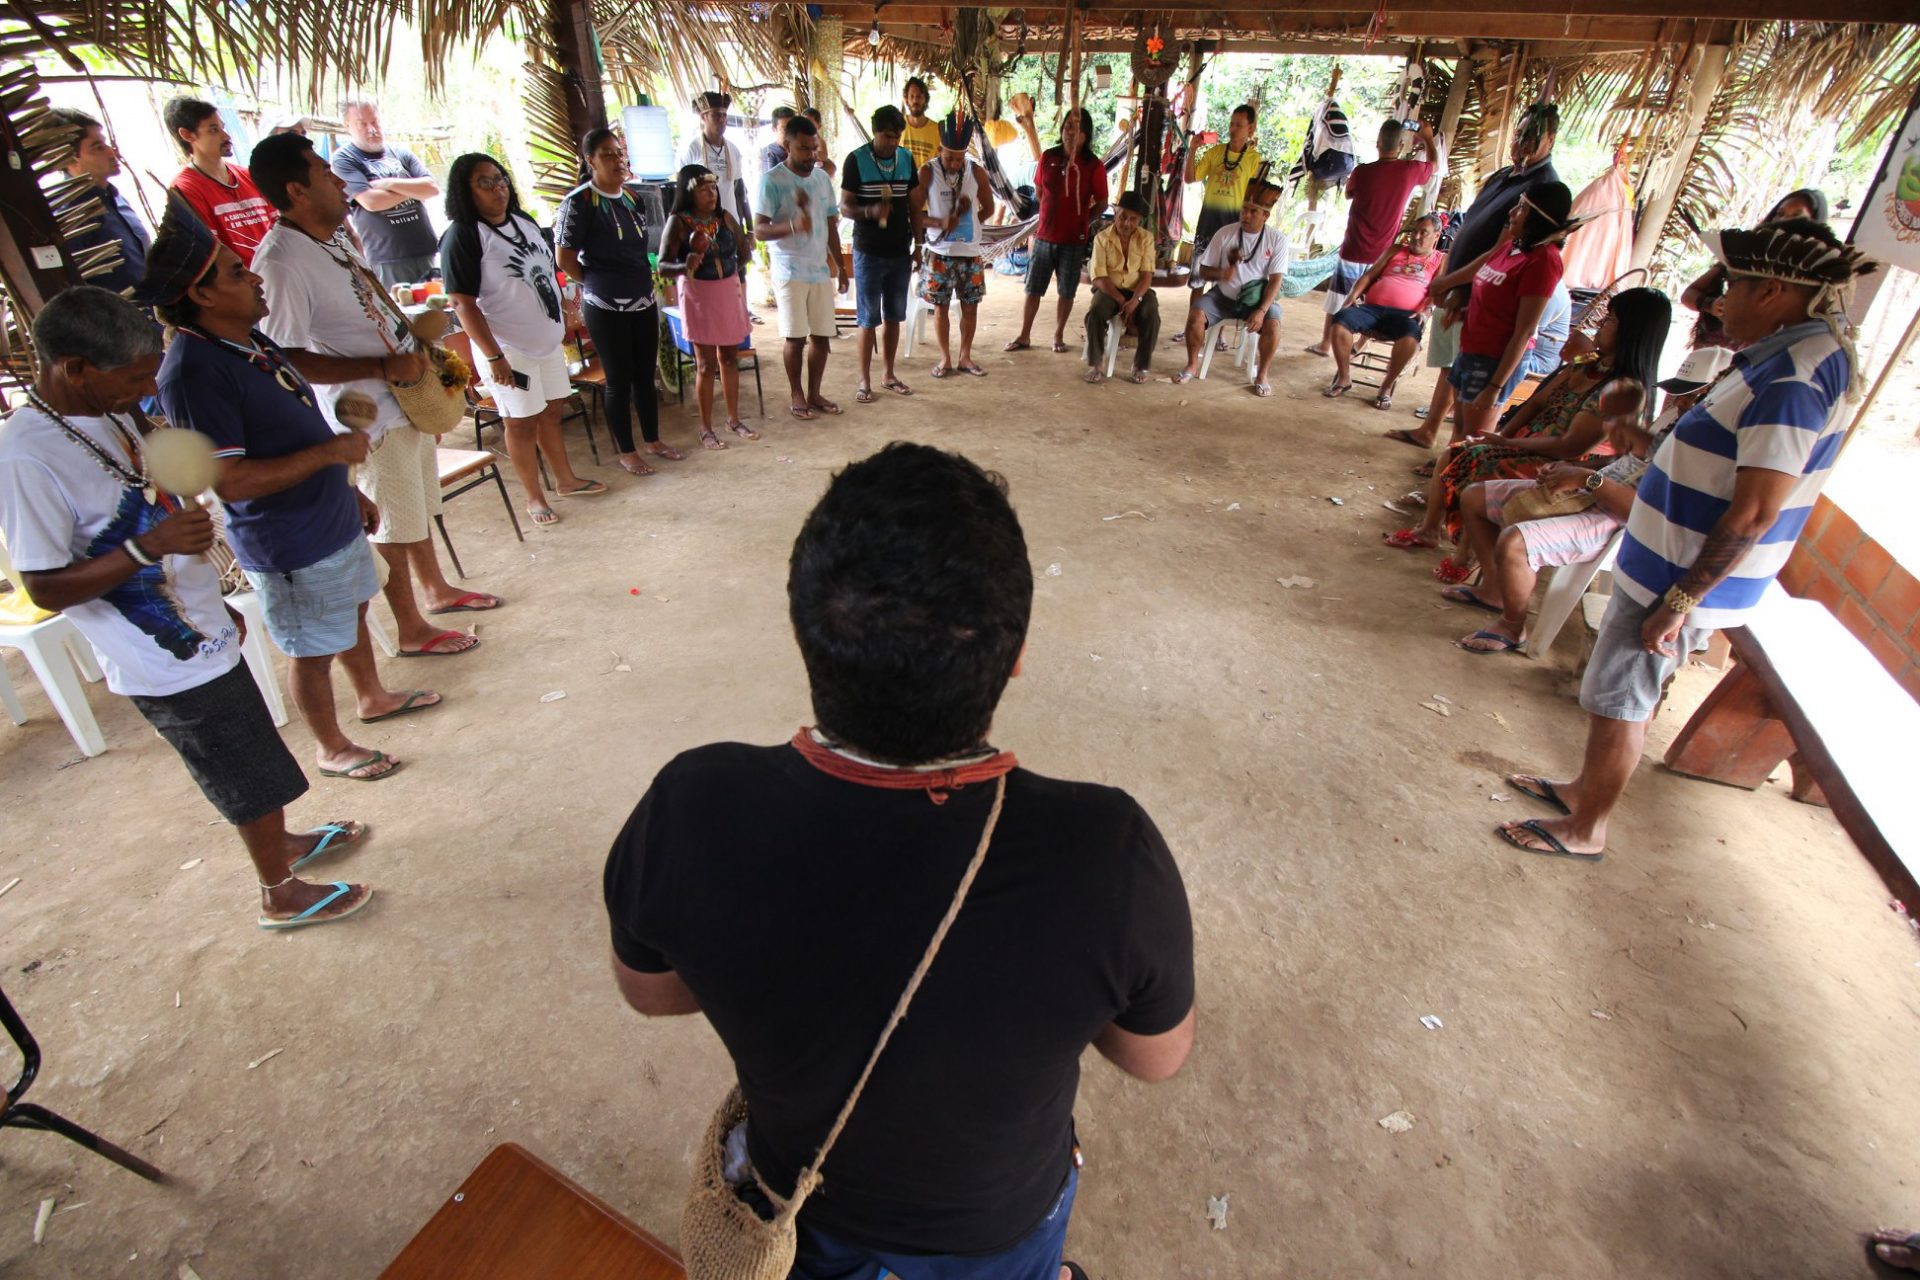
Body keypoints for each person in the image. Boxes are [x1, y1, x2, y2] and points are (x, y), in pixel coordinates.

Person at [603, 442, 1194, 1280]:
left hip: (793, 1211)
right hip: (995, 1230)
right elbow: (1155, 1056)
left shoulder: (692, 802)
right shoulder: (1106, 850)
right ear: (1016, 653)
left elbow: (652, 996)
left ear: (805, 635)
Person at [1497, 219, 1874, 861]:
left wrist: (1680, 601)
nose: (1721, 301)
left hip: (1678, 575)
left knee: (1622, 698)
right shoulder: (1783, 355)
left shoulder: (1792, 379)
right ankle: (1582, 790)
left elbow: (1754, 512)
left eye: (1736, 286)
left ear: (1776, 293)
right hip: (1666, 561)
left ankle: (1587, 828)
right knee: (1619, 694)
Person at [0, 286, 373, 930]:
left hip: (197, 626)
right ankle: (278, 893)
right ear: (77, 369)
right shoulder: (25, 456)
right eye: (136, 376)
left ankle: (279, 845)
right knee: (237, 768)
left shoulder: (105, 412)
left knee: (255, 753)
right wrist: (149, 549)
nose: (148, 388)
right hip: (157, 653)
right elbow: (45, 587)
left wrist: (205, 597)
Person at [142, 199, 436, 784]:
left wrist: (344, 490)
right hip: (287, 538)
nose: (253, 275)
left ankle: (372, 696)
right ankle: (330, 746)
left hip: (325, 514)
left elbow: (292, 423)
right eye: (233, 272)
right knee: (311, 647)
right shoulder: (195, 371)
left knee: (349, 609)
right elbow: (228, 480)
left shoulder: (247, 341)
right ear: (201, 296)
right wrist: (331, 454)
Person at [248, 132, 496, 656]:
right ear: (296, 189)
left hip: (401, 399)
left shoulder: (331, 235)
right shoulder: (282, 261)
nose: (340, 181)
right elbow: (285, 358)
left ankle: (436, 591)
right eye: (323, 173)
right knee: (391, 522)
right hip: (363, 414)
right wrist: (381, 363)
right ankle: (410, 628)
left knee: (415, 506)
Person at [1447, 347, 1732, 653]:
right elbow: (1624, 465)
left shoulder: (1703, 450)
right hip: (1591, 491)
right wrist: (1576, 470)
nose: (1682, 402)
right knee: (1475, 497)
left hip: (1613, 519)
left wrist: (1586, 479)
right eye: (1680, 393)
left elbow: (1641, 511)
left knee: (1515, 542)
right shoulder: (1673, 418)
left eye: (1694, 396)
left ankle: (1513, 626)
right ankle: (1495, 589)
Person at [1384, 283, 1669, 565]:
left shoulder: (1624, 389)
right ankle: (1431, 530)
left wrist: (1507, 444)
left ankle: (1467, 556)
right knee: (1459, 451)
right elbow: (1537, 401)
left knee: (1479, 462)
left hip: (1569, 461)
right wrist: (1501, 435)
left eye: (1612, 320)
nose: (1602, 325)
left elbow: (1570, 447)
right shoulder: (1590, 361)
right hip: (1533, 444)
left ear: (1633, 331)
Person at [440, 153, 609, 526]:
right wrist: (493, 356)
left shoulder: (524, 221)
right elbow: (462, 304)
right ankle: (534, 497)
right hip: (507, 349)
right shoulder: (463, 235)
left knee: (552, 409)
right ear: (465, 191)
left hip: (546, 341)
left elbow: (546, 272)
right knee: (520, 420)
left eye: (500, 179)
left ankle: (565, 480)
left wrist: (562, 310)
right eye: (484, 182)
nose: (497, 188)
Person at [1418, 102, 1560, 437]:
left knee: (1473, 420)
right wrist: (1447, 278)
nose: (1521, 143)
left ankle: (1449, 467)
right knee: (1454, 371)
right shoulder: (1504, 175)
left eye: (1531, 137)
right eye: (1519, 134)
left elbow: (1500, 253)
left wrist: (1454, 285)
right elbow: (1469, 227)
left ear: (1550, 140)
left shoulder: (1539, 190)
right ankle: (1431, 434)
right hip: (1468, 294)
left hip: (1481, 299)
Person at [557, 128, 672, 472]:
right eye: (607, 154)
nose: (617, 160)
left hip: (642, 299)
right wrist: (597, 285)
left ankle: (652, 440)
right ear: (590, 160)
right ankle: (627, 451)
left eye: (619, 153)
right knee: (618, 380)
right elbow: (564, 259)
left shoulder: (633, 198)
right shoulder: (578, 203)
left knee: (644, 375)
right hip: (605, 306)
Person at [1433, 181, 1574, 441]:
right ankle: (1444, 474)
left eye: (1521, 207)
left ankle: (1454, 478)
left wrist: (1495, 386)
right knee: (1460, 427)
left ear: (1537, 216)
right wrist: (1455, 292)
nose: (1512, 213)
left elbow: (1525, 330)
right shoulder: (1516, 245)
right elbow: (1487, 264)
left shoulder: (1543, 261)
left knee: (1473, 437)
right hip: (1472, 348)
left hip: (1494, 361)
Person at [1308, 119, 1438, 357]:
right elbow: (1434, 166)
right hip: (1382, 253)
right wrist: (1428, 138)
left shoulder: (1362, 172)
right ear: (1400, 145)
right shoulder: (1409, 170)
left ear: (1378, 144)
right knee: (1373, 303)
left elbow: (1348, 194)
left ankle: (1326, 344)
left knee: (1338, 298)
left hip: (1353, 247)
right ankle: (1359, 345)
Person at [755, 116, 848, 421]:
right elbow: (759, 230)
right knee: (795, 338)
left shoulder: (822, 179)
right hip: (789, 270)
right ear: (787, 146)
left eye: (814, 148)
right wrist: (792, 226)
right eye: (804, 148)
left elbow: (831, 225)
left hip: (819, 270)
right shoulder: (772, 180)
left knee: (822, 336)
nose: (810, 155)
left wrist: (840, 266)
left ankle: (815, 392)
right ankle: (796, 393)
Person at [660, 166, 758, 446]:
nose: (711, 194)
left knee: (729, 358)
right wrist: (685, 265)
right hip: (697, 296)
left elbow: (745, 252)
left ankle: (733, 419)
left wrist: (728, 277)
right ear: (689, 191)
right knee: (705, 365)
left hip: (726, 293)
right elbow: (664, 266)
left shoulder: (725, 218)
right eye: (704, 189)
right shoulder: (678, 222)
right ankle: (705, 427)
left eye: (713, 188)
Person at [1171, 176, 1289, 396]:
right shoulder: (1225, 233)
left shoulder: (1277, 240)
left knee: (1274, 324)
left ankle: (1262, 374)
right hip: (1222, 298)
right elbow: (1203, 270)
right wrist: (1221, 273)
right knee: (1195, 314)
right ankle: (1191, 364)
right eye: (1244, 209)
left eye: (1253, 211)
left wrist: (1262, 311)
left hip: (1257, 300)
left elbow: (1275, 280)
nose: (1246, 215)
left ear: (1266, 215)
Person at [1007, 107, 1107, 356]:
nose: (1070, 133)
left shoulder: (1092, 165)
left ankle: (1058, 335)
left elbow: (1102, 202)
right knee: (1033, 288)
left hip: (1074, 240)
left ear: (1086, 134)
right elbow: (1040, 192)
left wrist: (1084, 220)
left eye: (1077, 129)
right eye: (1067, 127)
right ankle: (1024, 334)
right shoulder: (1048, 157)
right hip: (1043, 236)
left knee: (1066, 290)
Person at [1323, 212, 1444, 409]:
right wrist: (1353, 296)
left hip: (1406, 315)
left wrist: (1426, 310)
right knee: (1339, 322)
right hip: (1372, 309)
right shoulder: (1396, 250)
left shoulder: (1441, 259)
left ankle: (1386, 387)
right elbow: (1370, 275)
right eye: (1415, 231)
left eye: (1424, 232)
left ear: (1436, 236)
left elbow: (1436, 291)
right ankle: (1344, 378)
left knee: (1411, 339)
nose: (1417, 236)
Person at [1680, 188, 1827, 350]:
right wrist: (1711, 304)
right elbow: (1689, 294)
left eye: (1797, 217)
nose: (1784, 221)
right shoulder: (1742, 257)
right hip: (1708, 354)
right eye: (1780, 213)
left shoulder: (1811, 282)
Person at [840, 105, 919, 403]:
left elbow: (914, 207)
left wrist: (919, 247)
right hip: (868, 252)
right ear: (875, 132)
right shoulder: (856, 160)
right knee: (867, 318)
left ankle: (888, 374)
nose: (893, 142)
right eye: (887, 136)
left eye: (897, 136)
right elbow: (845, 206)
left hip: (900, 251)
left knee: (894, 316)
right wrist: (869, 210)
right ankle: (864, 380)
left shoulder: (906, 159)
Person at [911, 114, 995, 379]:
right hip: (939, 253)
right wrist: (940, 222)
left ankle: (965, 357)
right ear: (939, 151)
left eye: (959, 158)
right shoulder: (927, 171)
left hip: (970, 254)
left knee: (971, 306)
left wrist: (970, 228)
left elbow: (989, 207)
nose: (954, 163)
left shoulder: (976, 171)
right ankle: (945, 358)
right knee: (941, 307)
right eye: (949, 158)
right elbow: (912, 213)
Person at [328, 97, 441, 288]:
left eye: (375, 121)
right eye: (362, 124)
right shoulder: (344, 159)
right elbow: (371, 202)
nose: (372, 129)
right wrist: (413, 188)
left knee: (438, 312)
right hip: (388, 257)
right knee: (405, 314)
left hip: (426, 249)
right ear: (347, 125)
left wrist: (388, 183)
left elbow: (431, 189)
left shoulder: (400, 153)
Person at [163, 96, 275, 266]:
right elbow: (210, 253)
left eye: (222, 128)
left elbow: (277, 227)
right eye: (213, 130)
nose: (226, 136)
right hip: (244, 287)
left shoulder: (249, 176)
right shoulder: (185, 188)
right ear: (187, 135)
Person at [50, 108, 149, 294]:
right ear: (68, 159)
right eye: (97, 147)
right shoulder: (72, 217)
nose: (111, 152)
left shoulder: (115, 198)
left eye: (105, 144)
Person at [1083, 191, 1159, 384]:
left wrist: (1136, 300)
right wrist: (1121, 300)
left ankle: (1141, 364)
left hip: (1137, 290)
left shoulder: (1146, 238)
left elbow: (1147, 275)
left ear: (1139, 220)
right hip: (1109, 289)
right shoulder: (1102, 238)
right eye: (1123, 217)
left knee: (1151, 313)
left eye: (1133, 219)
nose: (1126, 223)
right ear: (1116, 214)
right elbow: (1099, 277)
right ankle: (1096, 362)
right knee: (1096, 311)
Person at [1184, 105, 1262, 275]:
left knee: (1224, 278)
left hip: (1233, 224)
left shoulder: (1254, 160)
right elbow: (1189, 178)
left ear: (1250, 129)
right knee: (1198, 276)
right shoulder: (1215, 153)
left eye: (1238, 125)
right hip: (1208, 221)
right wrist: (1192, 150)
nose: (1232, 129)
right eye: (1231, 124)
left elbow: (1254, 197)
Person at [680, 91, 753, 234]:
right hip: (702, 226)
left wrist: (750, 229)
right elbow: (683, 193)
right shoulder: (691, 149)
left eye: (724, 115)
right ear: (703, 117)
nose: (721, 119)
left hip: (730, 224)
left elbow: (740, 192)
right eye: (716, 115)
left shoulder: (733, 150)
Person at [901, 77, 942, 170]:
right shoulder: (898, 125)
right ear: (907, 99)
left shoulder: (937, 130)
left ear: (926, 99)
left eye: (919, 96)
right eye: (912, 96)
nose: (915, 101)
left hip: (928, 183)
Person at [800, 107, 837, 179]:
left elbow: (824, 156)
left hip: (818, 166)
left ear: (819, 126)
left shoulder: (819, 140)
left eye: (809, 124)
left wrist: (814, 154)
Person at [761, 105, 798, 175]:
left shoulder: (800, 149)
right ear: (774, 129)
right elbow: (771, 180)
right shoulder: (769, 152)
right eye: (784, 129)